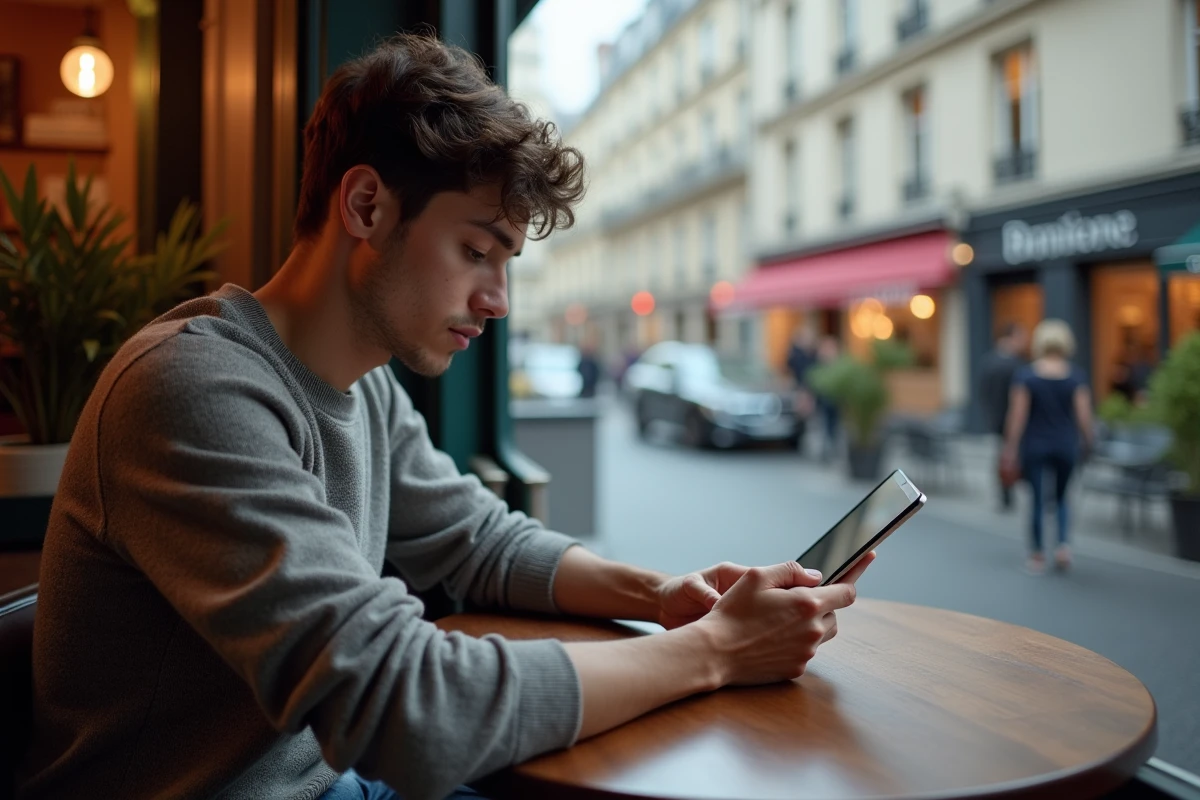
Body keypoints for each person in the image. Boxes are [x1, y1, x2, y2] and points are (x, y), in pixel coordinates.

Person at [18, 35, 871, 800]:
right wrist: (717, 652)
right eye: (476, 251)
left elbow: (478, 541)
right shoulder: (190, 390)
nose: (498, 300)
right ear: (364, 207)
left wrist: (665, 597)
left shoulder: (366, 384)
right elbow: (404, 707)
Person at [1001, 319, 1094, 575]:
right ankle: (1063, 546)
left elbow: (1017, 416)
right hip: (1066, 444)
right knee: (1063, 497)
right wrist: (1089, 440)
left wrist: (1009, 448)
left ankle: (1038, 554)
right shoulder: (1075, 376)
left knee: (1038, 500)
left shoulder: (1027, 375)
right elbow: (1084, 416)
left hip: (1035, 445)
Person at [977, 323, 1028, 510]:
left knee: (1002, 455)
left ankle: (1005, 491)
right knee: (1011, 454)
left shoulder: (989, 361)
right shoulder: (1017, 365)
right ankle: (1009, 488)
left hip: (996, 418)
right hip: (1012, 418)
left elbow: (982, 391)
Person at [813, 335, 842, 462]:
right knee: (824, 426)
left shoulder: (837, 363)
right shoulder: (821, 362)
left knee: (833, 427)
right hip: (824, 400)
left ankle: (831, 451)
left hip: (835, 400)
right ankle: (826, 452)